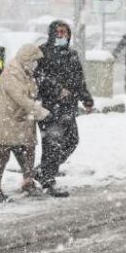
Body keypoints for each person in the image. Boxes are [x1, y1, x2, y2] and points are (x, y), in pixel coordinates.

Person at [0, 43, 50, 203]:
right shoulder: (13, 73)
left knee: (27, 149)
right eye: (34, 60)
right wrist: (41, 112)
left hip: (19, 120)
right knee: (2, 154)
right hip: (6, 120)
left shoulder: (26, 72)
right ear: (27, 58)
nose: (36, 64)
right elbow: (20, 98)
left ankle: (28, 182)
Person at [34, 20, 94, 197]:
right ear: (52, 34)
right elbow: (39, 78)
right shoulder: (43, 53)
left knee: (71, 141)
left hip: (68, 108)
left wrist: (87, 100)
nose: (61, 36)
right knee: (52, 144)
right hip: (49, 108)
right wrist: (57, 89)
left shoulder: (72, 55)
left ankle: (44, 170)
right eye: (58, 32)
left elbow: (79, 80)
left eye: (65, 33)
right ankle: (48, 180)